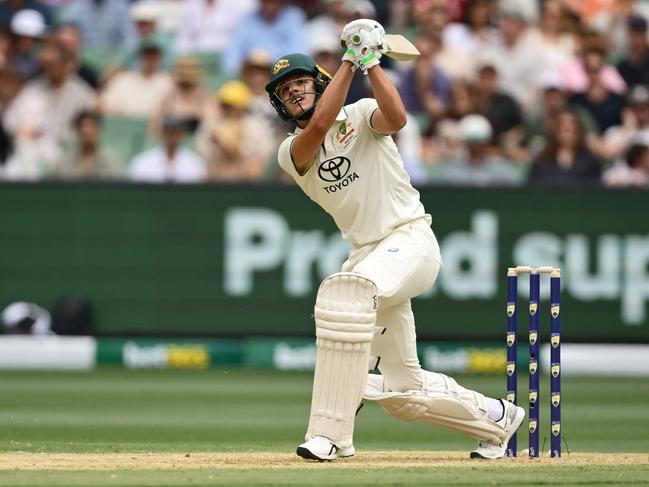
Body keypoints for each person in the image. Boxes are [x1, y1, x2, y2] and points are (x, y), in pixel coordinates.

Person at [265, 18, 524, 462]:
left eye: (301, 84)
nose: (294, 94)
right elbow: (321, 123)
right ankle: (496, 417)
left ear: (321, 82)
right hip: (370, 255)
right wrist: (353, 60)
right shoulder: (291, 152)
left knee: (345, 294)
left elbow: (398, 117)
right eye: (285, 92)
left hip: (410, 240)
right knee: (406, 392)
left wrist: (370, 64)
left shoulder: (361, 113)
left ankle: (330, 436)